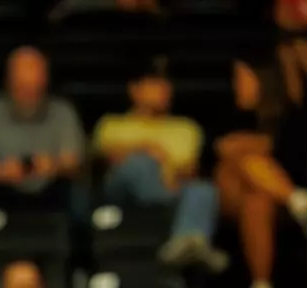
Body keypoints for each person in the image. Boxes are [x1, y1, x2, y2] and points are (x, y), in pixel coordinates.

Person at [94, 59, 226, 272]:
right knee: (139, 164)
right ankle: (189, 238)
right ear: (135, 90)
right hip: (122, 193)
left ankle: (187, 242)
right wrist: (147, 148)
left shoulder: (186, 128)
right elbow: (109, 159)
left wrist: (173, 174)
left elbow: (189, 169)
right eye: (155, 85)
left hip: (170, 190)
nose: (164, 91)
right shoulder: (112, 123)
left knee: (204, 189)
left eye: (166, 86)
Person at [215, 60, 307, 288]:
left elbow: (292, 161)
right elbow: (220, 150)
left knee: (257, 201)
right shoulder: (223, 114)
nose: (237, 86)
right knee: (245, 161)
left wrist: (248, 150)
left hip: (266, 201)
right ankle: (294, 199)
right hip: (226, 195)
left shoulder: (289, 120)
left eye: (243, 78)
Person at [0, 46, 87, 218]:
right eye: (23, 89)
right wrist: (3, 172)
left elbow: (74, 161)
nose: (29, 96)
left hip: (52, 188)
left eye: (35, 90)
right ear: (9, 83)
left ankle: (80, 243)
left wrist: (53, 166)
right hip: (2, 188)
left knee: (77, 193)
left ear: (45, 83)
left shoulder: (63, 112)